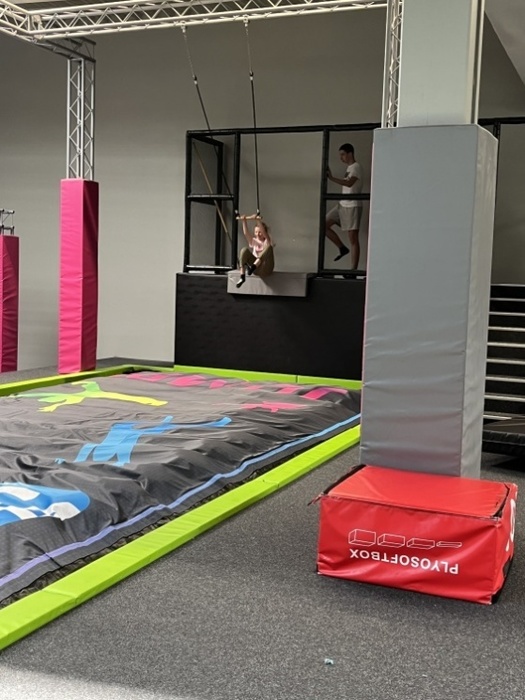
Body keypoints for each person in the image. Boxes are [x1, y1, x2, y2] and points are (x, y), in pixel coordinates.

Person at [326, 143, 363, 269]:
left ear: (350, 153)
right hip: (342, 204)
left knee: (353, 239)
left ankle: (353, 270)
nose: (341, 158)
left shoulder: (356, 167)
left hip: (352, 206)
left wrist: (332, 178)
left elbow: (349, 183)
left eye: (343, 155)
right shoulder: (350, 168)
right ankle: (342, 248)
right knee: (323, 224)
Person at [236, 214, 275, 288]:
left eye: (260, 232)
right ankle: (242, 276)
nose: (258, 234)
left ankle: (253, 266)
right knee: (244, 250)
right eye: (256, 232)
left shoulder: (267, 241)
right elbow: (246, 233)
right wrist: (244, 221)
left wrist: (257, 220)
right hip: (257, 270)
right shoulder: (253, 241)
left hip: (266, 267)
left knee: (269, 247)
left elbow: (264, 232)